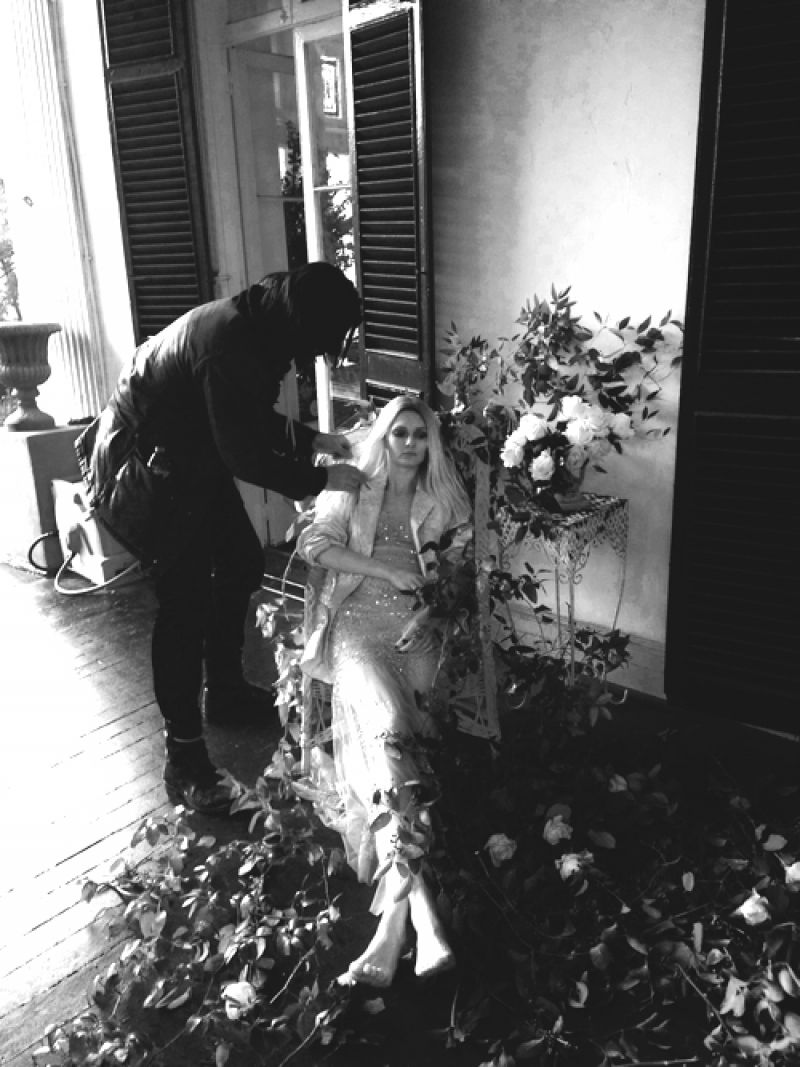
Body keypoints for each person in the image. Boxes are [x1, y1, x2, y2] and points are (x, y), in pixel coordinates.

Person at [76, 262, 367, 816]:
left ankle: (226, 691)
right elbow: (244, 452)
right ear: (306, 321)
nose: (325, 352)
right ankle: (184, 760)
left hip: (189, 459)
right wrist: (321, 477)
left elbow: (246, 415)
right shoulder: (232, 340)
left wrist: (317, 439)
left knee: (239, 561)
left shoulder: (258, 325)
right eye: (328, 337)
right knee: (183, 608)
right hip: (146, 472)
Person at [296, 395, 472, 987]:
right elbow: (313, 545)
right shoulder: (353, 484)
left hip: (415, 628)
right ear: (384, 436)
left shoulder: (445, 498)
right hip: (357, 625)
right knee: (390, 726)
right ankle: (416, 915)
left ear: (431, 443)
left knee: (400, 751)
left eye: (420, 435)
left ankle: (396, 925)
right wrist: (388, 571)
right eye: (399, 433)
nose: (409, 444)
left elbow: (458, 571)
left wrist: (429, 612)